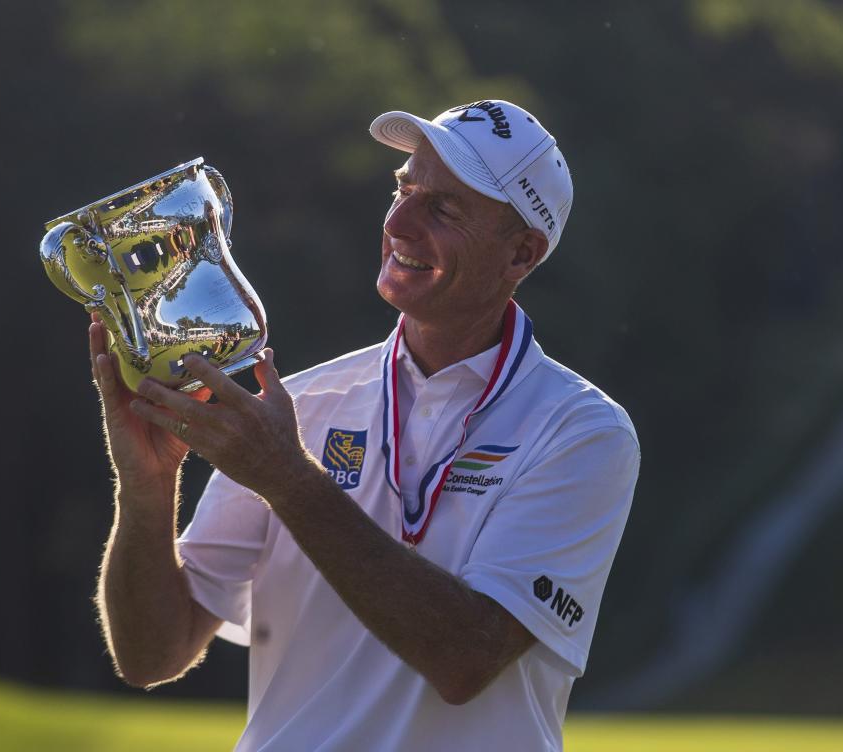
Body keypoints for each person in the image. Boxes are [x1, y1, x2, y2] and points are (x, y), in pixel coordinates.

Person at [89, 99, 640, 751]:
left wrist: (288, 480)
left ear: (520, 254)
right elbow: (152, 654)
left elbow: (466, 658)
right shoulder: (301, 402)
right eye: (403, 189)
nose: (400, 224)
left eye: (444, 209)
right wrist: (147, 491)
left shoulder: (582, 432)